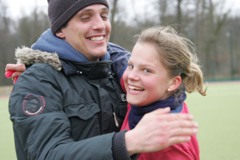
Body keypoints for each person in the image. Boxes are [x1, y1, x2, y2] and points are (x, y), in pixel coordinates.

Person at [6, 0, 198, 159]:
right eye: (85, 17)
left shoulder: (117, 71)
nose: (100, 25)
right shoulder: (38, 81)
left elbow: (163, 85)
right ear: (60, 30)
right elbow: (46, 155)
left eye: (104, 15)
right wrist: (128, 142)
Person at [120, 26, 206, 160]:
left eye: (146, 70)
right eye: (131, 65)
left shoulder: (171, 146)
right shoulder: (145, 97)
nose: (131, 76)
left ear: (173, 83)